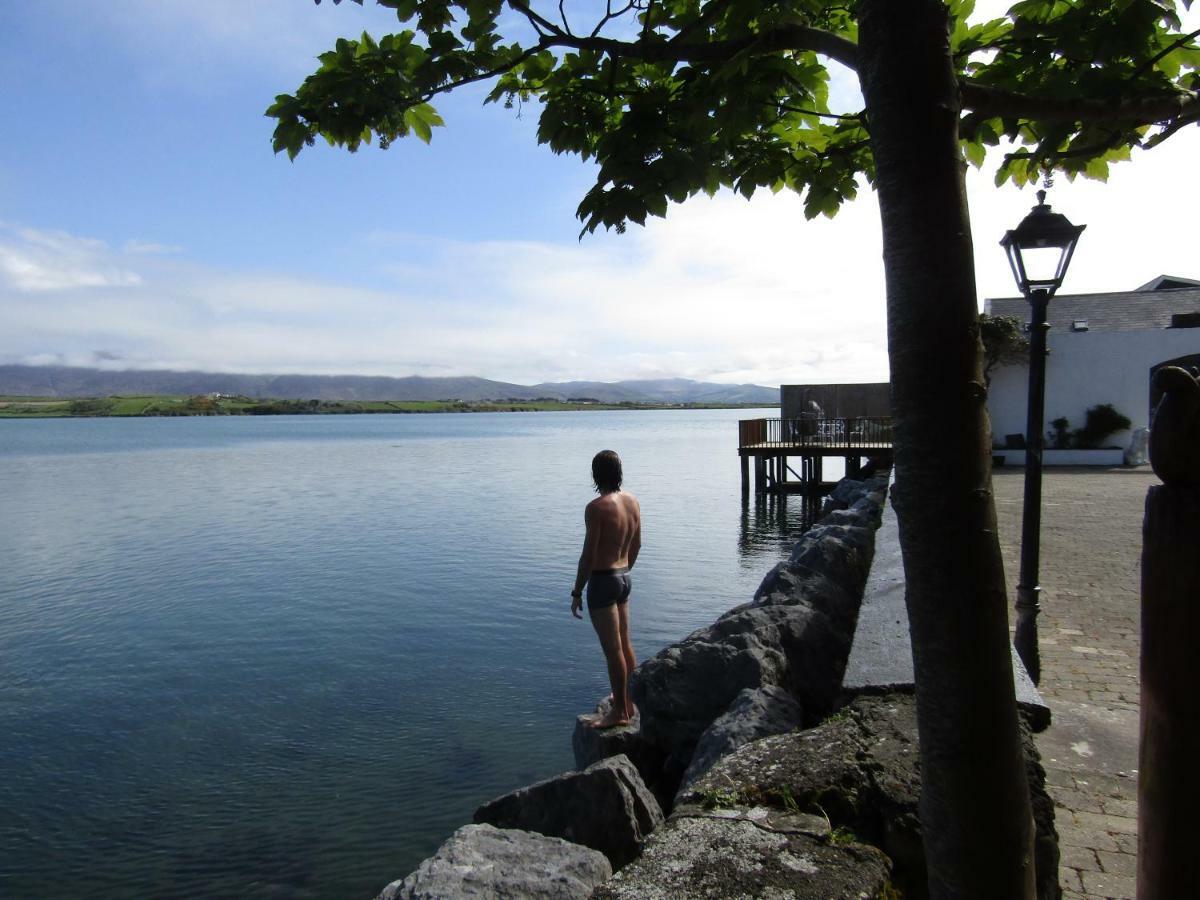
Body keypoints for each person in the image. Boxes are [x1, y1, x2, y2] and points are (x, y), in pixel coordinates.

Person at [571, 450, 641, 729]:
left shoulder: (596, 508)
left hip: (603, 581)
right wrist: (624, 570)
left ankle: (619, 713)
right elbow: (637, 543)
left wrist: (577, 591)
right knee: (625, 643)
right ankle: (630, 702)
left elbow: (588, 556)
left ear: (595, 475)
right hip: (624, 577)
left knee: (612, 651)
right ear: (619, 472)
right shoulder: (632, 501)